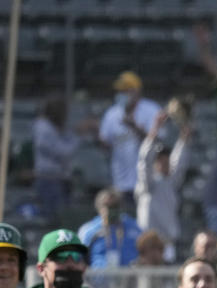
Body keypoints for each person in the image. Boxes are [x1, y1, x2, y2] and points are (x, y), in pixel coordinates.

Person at [98, 71, 163, 207]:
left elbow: (159, 143)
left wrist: (135, 127)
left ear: (137, 91)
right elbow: (104, 142)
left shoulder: (151, 110)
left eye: (126, 90)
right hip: (120, 180)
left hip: (147, 180)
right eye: (120, 91)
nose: (122, 94)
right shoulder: (112, 114)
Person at [135, 111, 191, 252]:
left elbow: (180, 162)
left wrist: (184, 136)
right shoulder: (148, 184)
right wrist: (155, 128)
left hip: (168, 244)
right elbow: (145, 160)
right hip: (148, 245)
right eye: (160, 160)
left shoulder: (172, 182)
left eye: (167, 160)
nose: (164, 163)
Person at [32, 97, 80, 222]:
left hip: (58, 179)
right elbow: (63, 152)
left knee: (62, 217)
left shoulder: (53, 127)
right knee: (52, 219)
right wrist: (77, 136)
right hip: (48, 180)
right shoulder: (43, 128)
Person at [77, 188, 143, 268]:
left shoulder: (134, 228)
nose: (111, 210)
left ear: (121, 207)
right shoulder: (89, 230)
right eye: (107, 206)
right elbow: (80, 259)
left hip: (130, 277)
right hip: (98, 278)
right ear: (99, 207)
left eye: (115, 206)